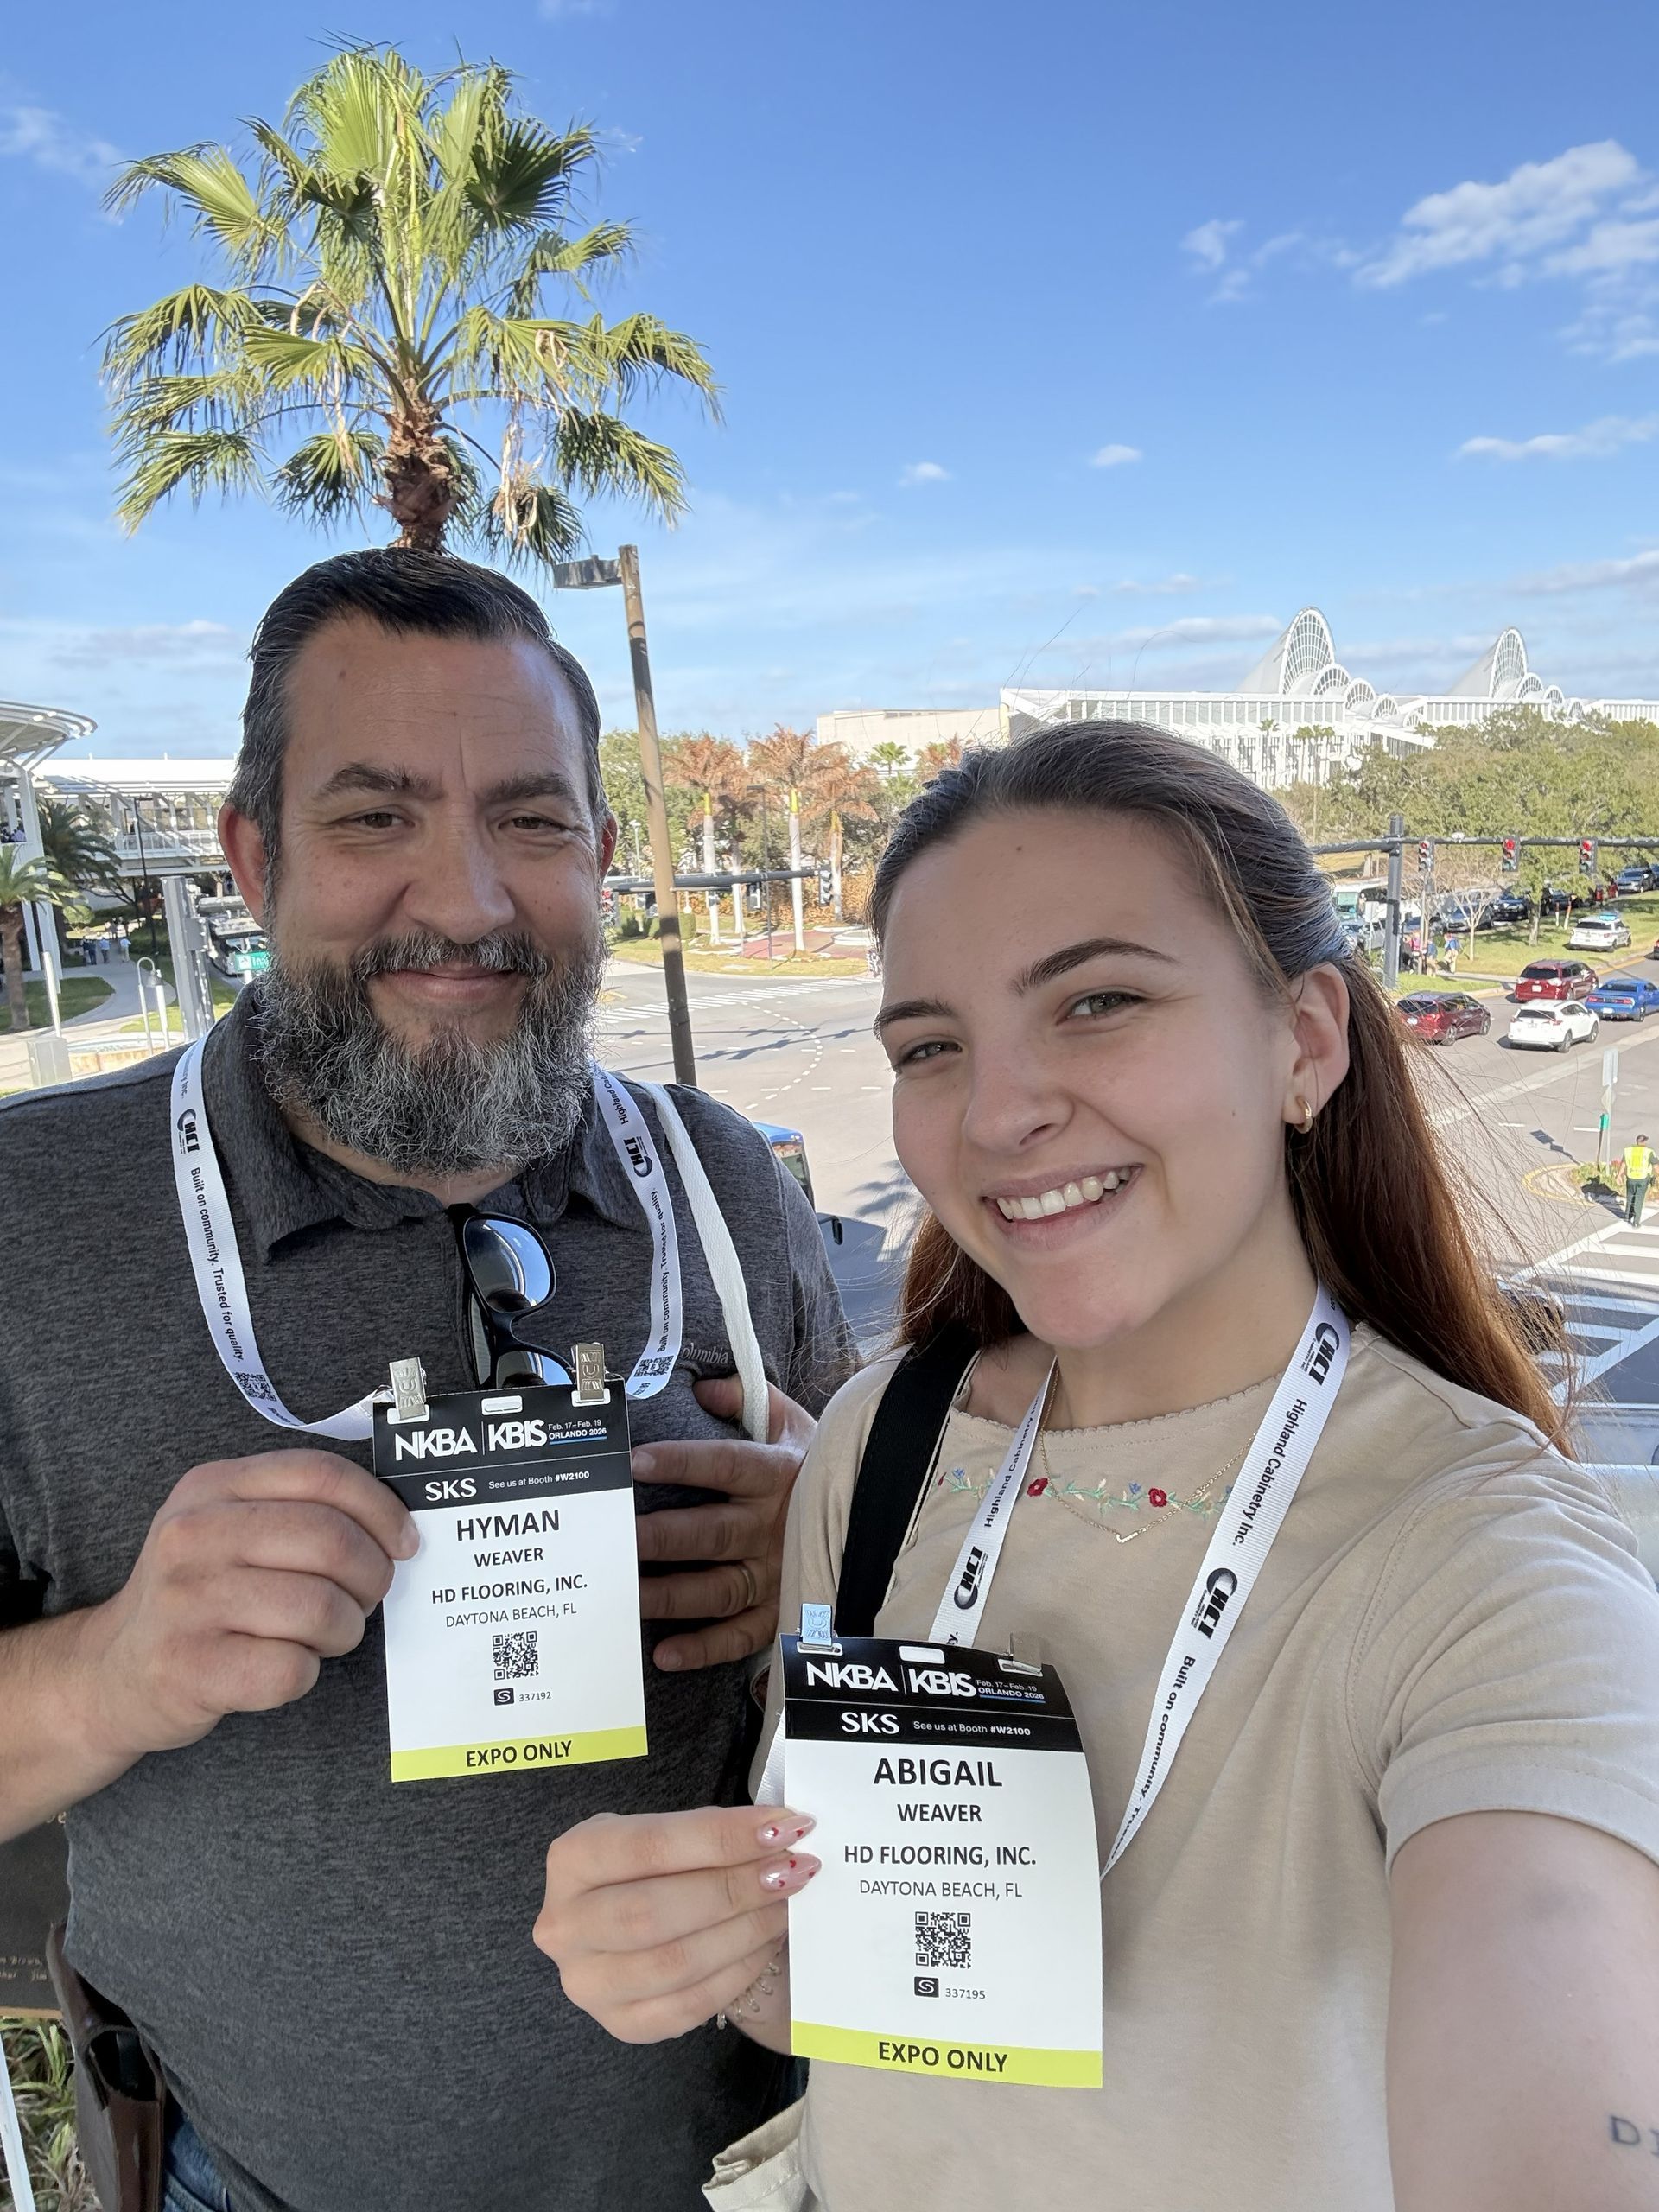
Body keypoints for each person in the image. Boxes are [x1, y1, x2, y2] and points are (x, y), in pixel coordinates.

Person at [537, 721, 1659, 2212]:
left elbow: (1550, 2019)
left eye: (1099, 1001)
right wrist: (725, 1959)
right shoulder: (884, 1445)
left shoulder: (1485, 1566)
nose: (1000, 1114)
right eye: (932, 1046)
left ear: (1305, 1041)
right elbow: (878, 2009)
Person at [0, 549, 855, 2212]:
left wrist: (825, 1556)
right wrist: (110, 1673)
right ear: (254, 856)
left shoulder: (723, 1182)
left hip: (768, 2173)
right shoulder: (29, 1221)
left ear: (604, 861)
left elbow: (906, 1654)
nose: (463, 900)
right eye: (375, 816)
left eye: (531, 823)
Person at [1625, 1131, 1654, 1226]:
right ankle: (1636, 1221)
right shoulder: (1648, 1152)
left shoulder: (1629, 1150)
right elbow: (1656, 1166)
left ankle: (1627, 1217)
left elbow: (1622, 1163)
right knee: (1639, 1199)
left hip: (1631, 1179)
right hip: (1642, 1179)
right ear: (1644, 1142)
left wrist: (1619, 1175)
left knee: (1630, 1197)